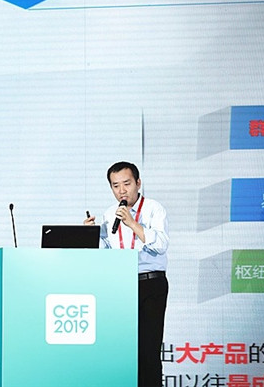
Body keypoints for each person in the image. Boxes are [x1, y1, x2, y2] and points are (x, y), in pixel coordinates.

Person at [84, 161, 169, 387]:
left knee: (148, 350)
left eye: (126, 184)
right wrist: (91, 236)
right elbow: (107, 250)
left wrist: (132, 223)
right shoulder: (109, 213)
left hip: (150, 283)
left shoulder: (154, 208)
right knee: (124, 350)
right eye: (115, 186)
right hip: (122, 285)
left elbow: (161, 245)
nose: (121, 191)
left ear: (138, 183)